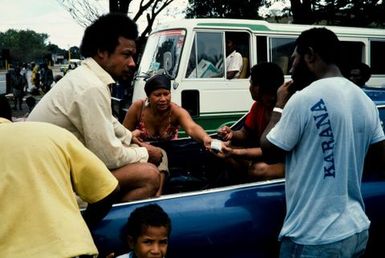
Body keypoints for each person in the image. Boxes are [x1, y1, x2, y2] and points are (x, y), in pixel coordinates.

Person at [260, 27, 385, 257]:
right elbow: (379, 157)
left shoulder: (304, 98)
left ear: (310, 55)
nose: (291, 67)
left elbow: (269, 149)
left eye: (295, 58)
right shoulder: (365, 101)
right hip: (356, 229)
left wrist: (279, 105)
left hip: (314, 237)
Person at [27, 13, 163, 202]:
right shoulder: (91, 87)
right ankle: (101, 229)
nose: (132, 63)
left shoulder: (86, 77)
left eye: (133, 56)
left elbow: (109, 121)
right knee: (149, 175)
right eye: (126, 55)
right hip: (51, 182)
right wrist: (145, 153)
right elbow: (109, 156)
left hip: (49, 171)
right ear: (102, 52)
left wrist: (131, 137)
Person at [0, 96, 120, 257]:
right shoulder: (52, 134)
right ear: (9, 116)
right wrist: (80, 227)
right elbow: (109, 190)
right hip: (72, 250)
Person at [123, 74, 212, 194]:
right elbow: (124, 136)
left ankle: (158, 196)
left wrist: (205, 138)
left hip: (169, 158)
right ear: (149, 96)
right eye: (157, 95)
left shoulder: (175, 111)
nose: (163, 99)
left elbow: (192, 127)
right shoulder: (138, 108)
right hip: (142, 155)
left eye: (166, 94)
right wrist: (134, 137)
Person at [216, 63, 285, 183]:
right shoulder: (257, 107)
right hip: (262, 158)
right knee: (223, 148)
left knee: (257, 170)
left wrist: (235, 152)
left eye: (251, 83)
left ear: (258, 88)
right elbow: (244, 133)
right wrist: (232, 133)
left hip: (285, 162)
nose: (250, 87)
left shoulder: (284, 110)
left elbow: (270, 150)